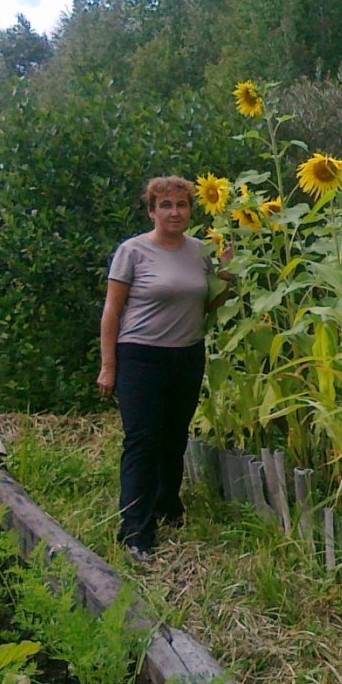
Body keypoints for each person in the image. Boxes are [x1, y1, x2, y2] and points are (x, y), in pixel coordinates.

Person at [97, 176, 231, 563]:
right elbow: (112, 310)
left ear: (190, 210)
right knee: (142, 441)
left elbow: (210, 305)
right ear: (151, 211)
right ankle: (135, 531)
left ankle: (167, 507)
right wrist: (108, 365)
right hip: (140, 357)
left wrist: (227, 274)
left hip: (187, 355)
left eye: (182, 205)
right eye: (166, 205)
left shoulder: (201, 251)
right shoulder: (133, 251)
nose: (175, 212)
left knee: (174, 436)